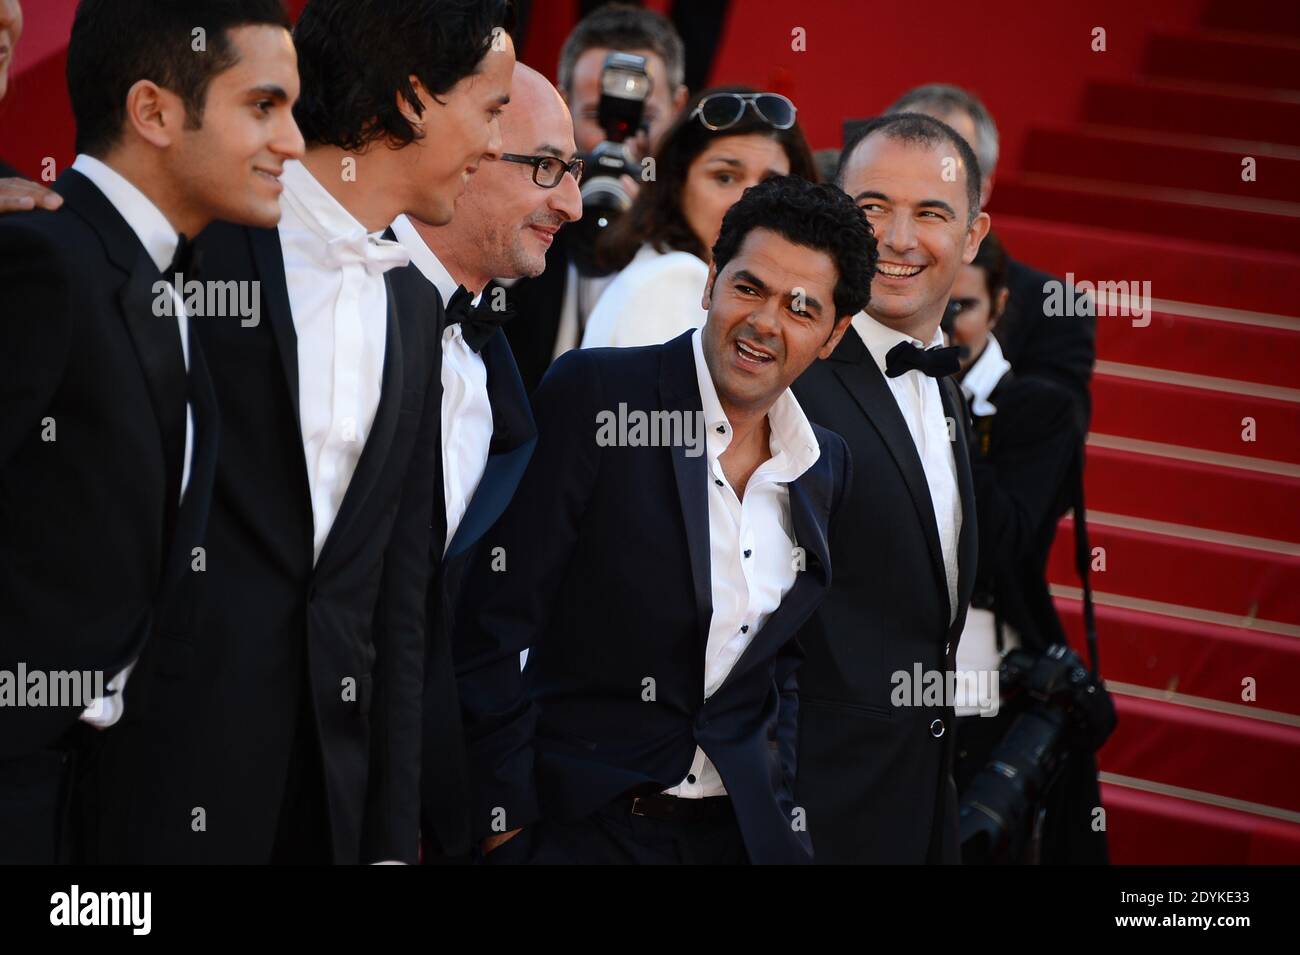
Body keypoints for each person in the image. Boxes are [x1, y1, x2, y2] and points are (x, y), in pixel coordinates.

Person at [84, 0, 514, 865]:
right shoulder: (200, 244)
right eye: (492, 108)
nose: (496, 145)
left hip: (329, 800)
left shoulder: (409, 302)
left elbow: (396, 606)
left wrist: (390, 841)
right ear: (415, 96)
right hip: (154, 779)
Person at [453, 176, 872, 864]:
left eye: (802, 307)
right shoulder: (597, 396)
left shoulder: (824, 465)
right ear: (710, 281)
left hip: (733, 836)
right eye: (749, 288)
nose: (766, 322)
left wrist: (781, 815)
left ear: (833, 333)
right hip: (581, 829)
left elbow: (781, 672)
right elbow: (489, 623)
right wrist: (504, 828)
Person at [0, 0, 302, 864]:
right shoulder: (41, 261)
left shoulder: (157, 273)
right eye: (263, 106)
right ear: (155, 112)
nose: (289, 142)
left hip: (99, 791)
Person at [387, 61, 581, 862]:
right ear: (462, 154)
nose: (570, 204)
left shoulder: (494, 373)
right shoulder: (318, 299)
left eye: (574, 174)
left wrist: (496, 808)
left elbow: (471, 626)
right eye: (546, 168)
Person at [792, 112, 989, 864]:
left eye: (931, 213)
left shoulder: (943, 385)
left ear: (973, 237)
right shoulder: (790, 375)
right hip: (804, 815)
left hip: (914, 808)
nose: (898, 239)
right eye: (872, 208)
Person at [946, 231, 1109, 864]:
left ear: (999, 307)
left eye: (964, 306)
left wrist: (948, 409)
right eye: (938, 306)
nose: (948, 324)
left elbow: (1007, 547)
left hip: (988, 673)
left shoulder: (1035, 408)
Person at [502, 2, 688, 393]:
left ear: (678, 108)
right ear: (560, 101)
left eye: (643, 120)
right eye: (596, 117)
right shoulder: (513, 205)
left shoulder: (698, 233)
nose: (615, 144)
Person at [885, 83, 1095, 427]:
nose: (918, 191)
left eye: (942, 171)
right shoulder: (840, 283)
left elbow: (1046, 452)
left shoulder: (1055, 310)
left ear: (982, 189)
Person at [580, 86, 816, 350]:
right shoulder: (676, 279)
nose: (749, 202)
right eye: (724, 177)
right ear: (677, 183)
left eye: (771, 184)